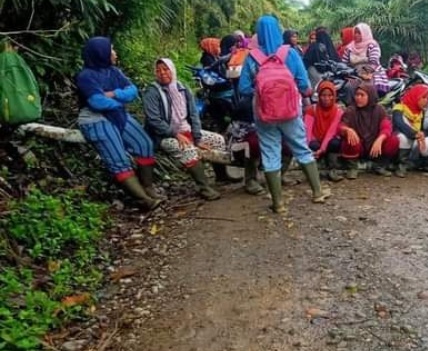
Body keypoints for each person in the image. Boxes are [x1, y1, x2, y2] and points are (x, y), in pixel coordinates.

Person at [238, 14, 330, 213]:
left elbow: (243, 88)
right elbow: (305, 86)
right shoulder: (290, 53)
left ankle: (278, 203)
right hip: (290, 111)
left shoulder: (252, 57)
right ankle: (317, 192)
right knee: (301, 148)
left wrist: (261, 90)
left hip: (264, 114)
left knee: (270, 153)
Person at [75, 37, 161, 210]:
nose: (114, 53)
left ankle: (148, 187)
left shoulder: (113, 71)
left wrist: (113, 94)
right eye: (111, 50)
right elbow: (97, 103)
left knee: (144, 144)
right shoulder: (85, 76)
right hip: (95, 119)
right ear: (101, 54)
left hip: (117, 115)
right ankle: (143, 200)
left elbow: (133, 91)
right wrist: (119, 100)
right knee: (119, 159)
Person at [143, 58, 224, 201]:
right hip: (164, 136)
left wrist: (197, 137)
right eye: (158, 70)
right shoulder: (152, 92)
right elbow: (154, 120)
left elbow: (193, 114)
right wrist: (175, 134)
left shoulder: (182, 87)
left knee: (218, 140)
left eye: (165, 69)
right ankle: (204, 187)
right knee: (188, 150)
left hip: (185, 130)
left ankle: (222, 176)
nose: (162, 73)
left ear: (172, 70)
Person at [339, 83, 399, 179]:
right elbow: (341, 126)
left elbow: (386, 126)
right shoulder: (351, 110)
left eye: (362, 95)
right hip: (359, 146)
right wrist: (347, 129)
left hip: (374, 147)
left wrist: (380, 138)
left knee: (393, 140)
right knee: (350, 138)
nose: (358, 98)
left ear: (370, 96)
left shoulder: (379, 110)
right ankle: (352, 167)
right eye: (357, 95)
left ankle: (380, 165)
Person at [304, 80, 344, 182]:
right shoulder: (311, 110)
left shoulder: (338, 111)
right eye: (323, 95)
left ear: (334, 96)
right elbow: (307, 132)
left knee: (335, 143)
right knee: (313, 145)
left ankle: (332, 169)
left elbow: (331, 132)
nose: (327, 98)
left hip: (328, 141)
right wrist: (314, 147)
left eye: (330, 95)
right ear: (319, 96)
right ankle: (316, 168)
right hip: (315, 140)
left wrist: (322, 149)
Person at [392, 85, 428, 177]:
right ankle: (401, 165)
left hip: (415, 140)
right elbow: (400, 124)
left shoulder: (421, 112)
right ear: (415, 96)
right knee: (403, 138)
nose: (426, 101)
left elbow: (424, 129)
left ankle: (422, 164)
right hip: (400, 139)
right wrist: (414, 134)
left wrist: (422, 135)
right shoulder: (399, 107)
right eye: (423, 97)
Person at [342, 23, 389, 94]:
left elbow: (374, 63)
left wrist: (364, 73)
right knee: (347, 87)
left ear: (365, 33)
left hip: (371, 73)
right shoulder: (349, 48)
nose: (356, 35)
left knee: (368, 89)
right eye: (355, 32)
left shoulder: (372, 45)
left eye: (359, 33)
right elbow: (344, 63)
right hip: (354, 73)